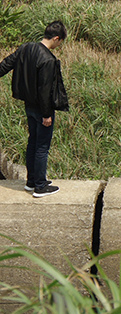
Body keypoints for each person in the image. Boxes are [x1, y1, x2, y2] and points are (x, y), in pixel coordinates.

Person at [0, 20, 68, 197]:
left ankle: (31, 182)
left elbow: (6, 64)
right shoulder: (48, 59)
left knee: (33, 142)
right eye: (60, 42)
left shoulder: (26, 48)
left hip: (28, 104)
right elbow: (45, 91)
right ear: (56, 38)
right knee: (42, 147)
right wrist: (47, 114)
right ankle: (40, 185)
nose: (59, 45)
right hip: (41, 108)